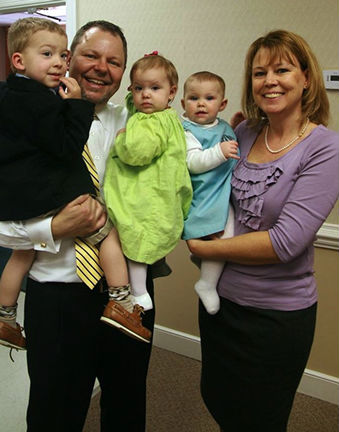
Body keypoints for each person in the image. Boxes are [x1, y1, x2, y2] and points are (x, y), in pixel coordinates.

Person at [0, 20, 161, 431]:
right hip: (55, 298)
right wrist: (51, 227)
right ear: (70, 57)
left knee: (126, 407)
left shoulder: (141, 122)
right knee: (53, 413)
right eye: (91, 55)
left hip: (126, 296)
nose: (100, 68)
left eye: (114, 62)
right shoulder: (22, 116)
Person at [187, 29, 339, 432]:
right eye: (259, 72)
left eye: (282, 69)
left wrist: (205, 251)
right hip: (221, 306)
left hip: (275, 319)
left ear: (306, 77)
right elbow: (208, 191)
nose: (269, 80)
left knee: (259, 420)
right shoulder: (242, 133)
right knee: (220, 403)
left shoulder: (325, 147)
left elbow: (285, 242)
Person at [102, 53, 192, 324]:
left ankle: (139, 293)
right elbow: (137, 103)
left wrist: (121, 141)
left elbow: (138, 152)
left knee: (135, 242)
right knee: (139, 241)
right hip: (163, 194)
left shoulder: (151, 122)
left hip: (147, 196)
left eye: (154, 88)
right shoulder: (168, 116)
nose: (145, 96)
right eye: (138, 88)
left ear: (172, 92)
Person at [180, 71, 239, 314]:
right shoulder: (186, 130)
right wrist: (220, 152)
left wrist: (235, 128)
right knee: (225, 237)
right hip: (206, 196)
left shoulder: (223, 126)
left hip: (222, 191)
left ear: (222, 104)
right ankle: (206, 284)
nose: (201, 103)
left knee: (228, 236)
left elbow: (227, 139)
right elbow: (193, 161)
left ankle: (207, 266)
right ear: (183, 103)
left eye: (209, 98)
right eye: (193, 98)